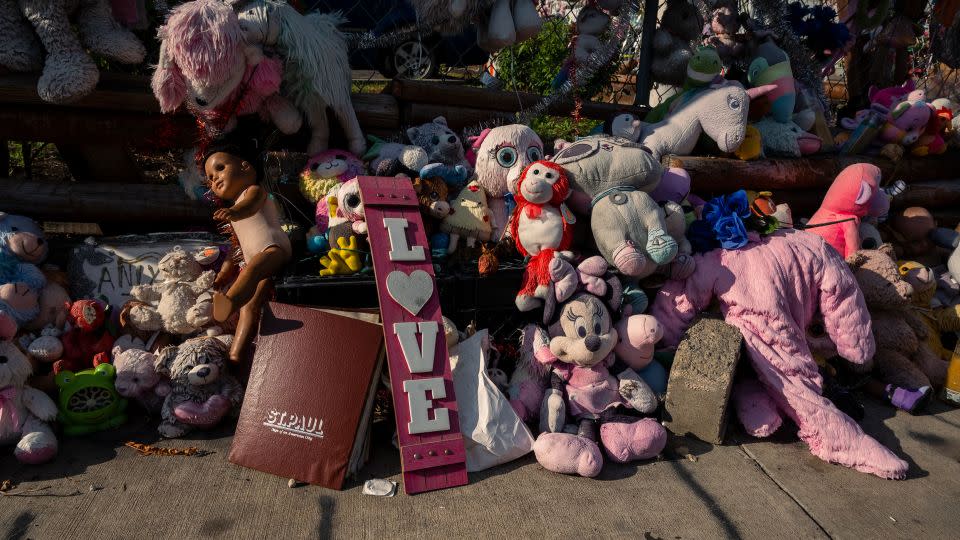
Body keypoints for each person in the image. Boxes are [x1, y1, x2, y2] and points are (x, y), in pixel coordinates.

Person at [203, 134, 292, 365]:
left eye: (220, 169)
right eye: (210, 179)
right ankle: (235, 354)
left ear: (245, 166)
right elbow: (237, 248)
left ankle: (229, 302)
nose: (215, 180)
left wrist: (234, 212)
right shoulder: (233, 210)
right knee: (250, 306)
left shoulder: (254, 191)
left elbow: (249, 207)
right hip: (256, 261)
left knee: (252, 271)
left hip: (274, 249)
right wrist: (224, 271)